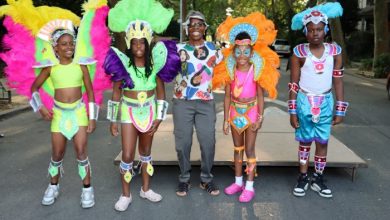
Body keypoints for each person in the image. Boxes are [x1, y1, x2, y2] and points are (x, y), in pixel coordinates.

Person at [0, 1, 111, 208]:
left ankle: (87, 189)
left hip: (78, 113)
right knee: (57, 154)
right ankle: (53, 185)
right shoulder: (49, 68)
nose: (69, 47)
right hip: (59, 115)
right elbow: (34, 89)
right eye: (64, 44)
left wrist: (93, 117)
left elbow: (90, 91)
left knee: (81, 152)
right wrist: (40, 107)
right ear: (55, 48)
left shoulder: (82, 65)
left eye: (72, 43)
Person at [104, 0, 179, 211]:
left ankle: (146, 189)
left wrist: (159, 116)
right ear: (129, 44)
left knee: (146, 153)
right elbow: (116, 92)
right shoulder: (123, 64)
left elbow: (162, 93)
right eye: (135, 42)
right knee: (127, 154)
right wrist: (113, 120)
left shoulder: (155, 64)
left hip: (150, 111)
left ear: (147, 44)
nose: (138, 46)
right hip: (128, 112)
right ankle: (125, 194)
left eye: (142, 42)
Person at [213, 12, 280, 202]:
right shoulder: (230, 70)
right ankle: (238, 182)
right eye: (238, 51)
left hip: (251, 112)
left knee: (250, 150)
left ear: (252, 52)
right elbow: (227, 96)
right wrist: (226, 119)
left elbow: (260, 96)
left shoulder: (257, 70)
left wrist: (259, 118)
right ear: (233, 52)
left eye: (246, 51)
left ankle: (250, 186)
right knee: (237, 149)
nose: (242, 55)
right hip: (235, 112)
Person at [289, 2, 348, 198]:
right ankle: (303, 176)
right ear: (306, 31)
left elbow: (338, 80)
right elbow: (294, 84)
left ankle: (318, 177)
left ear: (326, 30)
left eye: (320, 29)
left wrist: (340, 109)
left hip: (325, 102)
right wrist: (292, 110)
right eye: (312, 30)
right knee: (305, 142)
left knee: (322, 142)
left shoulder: (335, 52)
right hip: (304, 102)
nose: (316, 33)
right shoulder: (299, 52)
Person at [173, 11, 223, 197]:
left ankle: (206, 179)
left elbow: (236, 60)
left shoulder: (214, 50)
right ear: (186, 28)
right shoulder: (178, 49)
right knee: (182, 144)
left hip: (205, 102)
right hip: (182, 102)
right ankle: (184, 178)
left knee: (208, 142)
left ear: (204, 28)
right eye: (191, 25)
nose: (195, 28)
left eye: (199, 24)